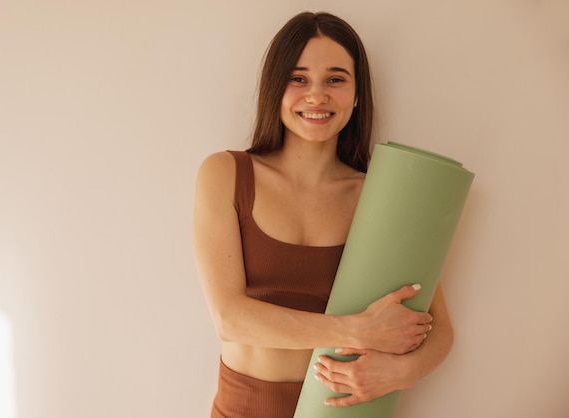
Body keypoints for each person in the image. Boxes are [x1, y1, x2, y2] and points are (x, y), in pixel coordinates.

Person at [193, 11, 453, 418]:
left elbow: (440, 330)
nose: (317, 96)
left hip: (345, 410)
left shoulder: (379, 196)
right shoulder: (226, 173)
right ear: (274, 87)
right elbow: (230, 318)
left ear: (357, 92)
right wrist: (358, 328)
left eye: (335, 79)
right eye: (298, 79)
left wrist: (401, 372)